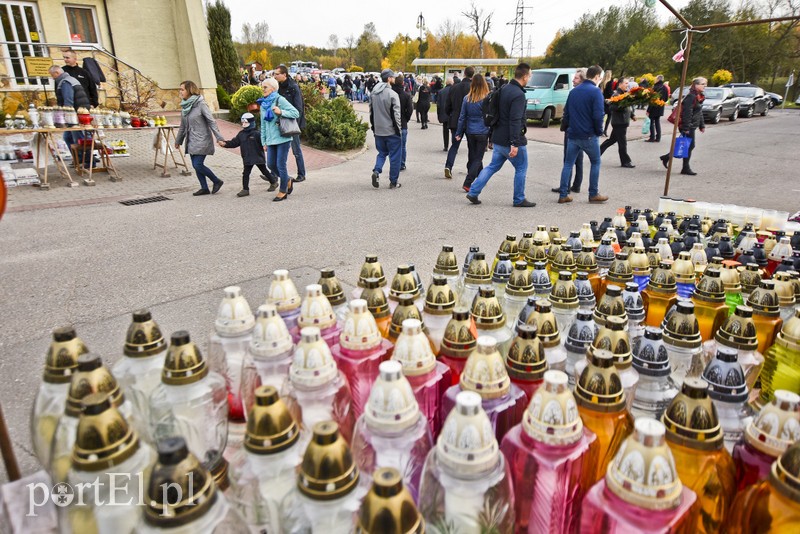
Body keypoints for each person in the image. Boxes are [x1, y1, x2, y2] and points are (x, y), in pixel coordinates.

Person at [465, 63, 536, 208]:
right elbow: (515, 119)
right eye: (529, 75)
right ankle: (519, 198)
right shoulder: (518, 95)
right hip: (511, 139)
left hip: (498, 137)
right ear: (524, 76)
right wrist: (515, 143)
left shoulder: (503, 89)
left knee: (492, 166)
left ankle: (473, 191)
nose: (530, 78)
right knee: (521, 168)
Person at [557, 65, 608, 204]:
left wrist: (566, 127)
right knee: (596, 162)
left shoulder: (574, 91)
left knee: (568, 164)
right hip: (589, 135)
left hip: (573, 134)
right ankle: (593, 193)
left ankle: (563, 194)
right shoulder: (596, 92)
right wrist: (599, 131)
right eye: (600, 77)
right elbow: (598, 115)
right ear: (597, 76)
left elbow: (567, 113)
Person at [175, 80, 226, 196]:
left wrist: (219, 137)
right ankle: (204, 188)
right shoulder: (185, 106)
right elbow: (183, 126)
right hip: (191, 140)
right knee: (195, 165)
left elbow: (211, 121)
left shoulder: (201, 104)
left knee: (197, 164)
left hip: (202, 139)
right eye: (180, 89)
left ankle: (216, 181)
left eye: (182, 89)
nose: (180, 92)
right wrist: (178, 141)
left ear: (189, 90)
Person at [257, 77, 300, 201]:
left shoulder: (280, 100)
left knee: (281, 164)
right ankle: (287, 179)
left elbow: (295, 113)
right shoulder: (263, 104)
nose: (262, 89)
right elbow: (263, 124)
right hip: (270, 140)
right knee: (271, 164)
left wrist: (281, 111)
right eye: (262, 87)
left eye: (265, 87)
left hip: (283, 137)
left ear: (273, 88)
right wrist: (263, 141)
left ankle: (283, 191)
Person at [218, 113, 277, 196]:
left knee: (264, 171)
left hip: (258, 157)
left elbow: (264, 142)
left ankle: (273, 182)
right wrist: (225, 144)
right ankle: (245, 189)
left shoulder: (257, 134)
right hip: (247, 158)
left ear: (251, 122)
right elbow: (234, 142)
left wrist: (266, 146)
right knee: (245, 173)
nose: (244, 124)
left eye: (246, 122)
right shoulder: (241, 134)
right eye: (242, 122)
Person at [551, 68, 587, 195]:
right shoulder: (591, 92)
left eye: (576, 78)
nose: (573, 80)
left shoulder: (574, 93)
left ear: (582, 79)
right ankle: (576, 185)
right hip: (583, 131)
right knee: (578, 159)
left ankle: (565, 187)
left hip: (572, 130)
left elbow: (567, 111)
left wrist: (563, 126)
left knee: (568, 160)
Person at [661, 77, 706, 176]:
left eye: (705, 84)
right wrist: (686, 128)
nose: (705, 86)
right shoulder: (691, 96)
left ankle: (668, 157)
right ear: (696, 85)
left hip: (692, 125)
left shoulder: (698, 96)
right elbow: (687, 113)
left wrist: (701, 125)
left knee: (688, 145)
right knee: (689, 145)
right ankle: (685, 167)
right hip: (687, 125)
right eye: (703, 84)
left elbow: (699, 112)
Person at [49, 64, 92, 167]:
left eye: (52, 75)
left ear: (57, 73)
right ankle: (78, 159)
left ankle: (87, 161)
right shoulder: (69, 79)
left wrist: (66, 116)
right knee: (68, 137)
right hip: (79, 112)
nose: (52, 77)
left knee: (80, 138)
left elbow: (68, 101)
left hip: (76, 114)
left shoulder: (65, 82)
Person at [455, 74, 491, 192]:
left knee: (473, 155)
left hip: (470, 130)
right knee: (478, 158)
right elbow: (489, 116)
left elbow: (462, 117)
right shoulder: (486, 98)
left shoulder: (467, 98)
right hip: (482, 130)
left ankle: (481, 177)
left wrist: (459, 132)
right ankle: (468, 182)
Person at [369, 69, 403, 189]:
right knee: (395, 156)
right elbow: (396, 115)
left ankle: (377, 171)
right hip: (391, 130)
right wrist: (399, 130)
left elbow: (371, 112)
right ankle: (393, 181)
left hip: (379, 130)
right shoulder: (392, 94)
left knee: (382, 153)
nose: (394, 78)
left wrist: (374, 127)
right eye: (392, 77)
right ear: (389, 78)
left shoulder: (373, 93)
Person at [275, 64, 307, 183]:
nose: (275, 76)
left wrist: (295, 125)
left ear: (284, 75)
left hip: (292, 123)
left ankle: (301, 174)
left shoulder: (293, 87)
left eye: (277, 74)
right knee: (279, 148)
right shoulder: (278, 87)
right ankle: (274, 175)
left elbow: (299, 108)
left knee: (296, 150)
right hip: (281, 121)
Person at [444, 66, 474, 179]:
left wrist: (450, 114)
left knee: (454, 146)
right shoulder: (473, 88)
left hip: (455, 119)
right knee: (471, 147)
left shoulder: (454, 88)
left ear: (464, 74)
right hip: (469, 120)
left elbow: (447, 105)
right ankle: (470, 168)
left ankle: (448, 166)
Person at [600, 77, 636, 168]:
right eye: (626, 83)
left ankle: (596, 153)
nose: (627, 85)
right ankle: (625, 161)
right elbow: (612, 108)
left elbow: (628, 107)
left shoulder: (625, 95)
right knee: (622, 143)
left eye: (628, 83)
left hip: (623, 122)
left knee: (611, 140)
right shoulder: (616, 95)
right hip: (619, 122)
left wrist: (632, 115)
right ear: (620, 84)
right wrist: (621, 106)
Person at [391, 74, 413, 172]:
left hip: (391, 123)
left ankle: (394, 163)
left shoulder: (390, 94)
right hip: (403, 122)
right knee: (402, 145)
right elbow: (410, 109)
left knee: (393, 146)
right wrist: (406, 118)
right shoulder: (406, 95)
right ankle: (402, 163)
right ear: (403, 83)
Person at [646, 75, 669, 142]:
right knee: (657, 122)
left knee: (651, 122)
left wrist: (648, 110)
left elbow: (652, 99)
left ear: (658, 79)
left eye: (656, 79)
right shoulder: (665, 87)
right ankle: (658, 137)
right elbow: (666, 98)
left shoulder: (655, 87)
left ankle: (652, 137)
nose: (655, 80)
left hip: (653, 107)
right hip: (660, 107)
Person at [437, 77, 453, 152]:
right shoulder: (454, 91)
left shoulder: (441, 92)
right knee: (453, 131)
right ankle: (454, 145)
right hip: (452, 114)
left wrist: (439, 115)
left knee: (445, 131)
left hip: (444, 114)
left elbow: (439, 105)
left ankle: (446, 146)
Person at [601, 71, 614, 136]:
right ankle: (605, 130)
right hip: (608, 101)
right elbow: (610, 92)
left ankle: (600, 129)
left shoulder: (602, 82)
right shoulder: (610, 82)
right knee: (609, 117)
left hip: (602, 100)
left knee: (602, 116)